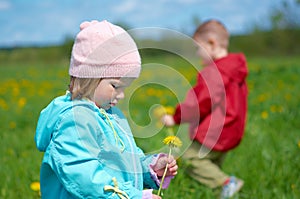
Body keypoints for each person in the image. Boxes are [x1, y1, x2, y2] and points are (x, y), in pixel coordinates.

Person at [35, 20, 178, 199]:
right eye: (116, 86)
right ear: (90, 77)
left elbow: (125, 161)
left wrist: (150, 168)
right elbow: (87, 181)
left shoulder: (111, 116)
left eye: (126, 88)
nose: (122, 95)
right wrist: (133, 196)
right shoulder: (73, 122)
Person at [162, 19, 248, 198]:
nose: (197, 53)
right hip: (232, 128)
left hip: (216, 129)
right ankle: (220, 189)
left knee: (190, 158)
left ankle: (226, 183)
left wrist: (176, 117)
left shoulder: (215, 72)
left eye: (198, 47)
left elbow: (199, 102)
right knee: (212, 161)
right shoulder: (235, 69)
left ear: (211, 43)